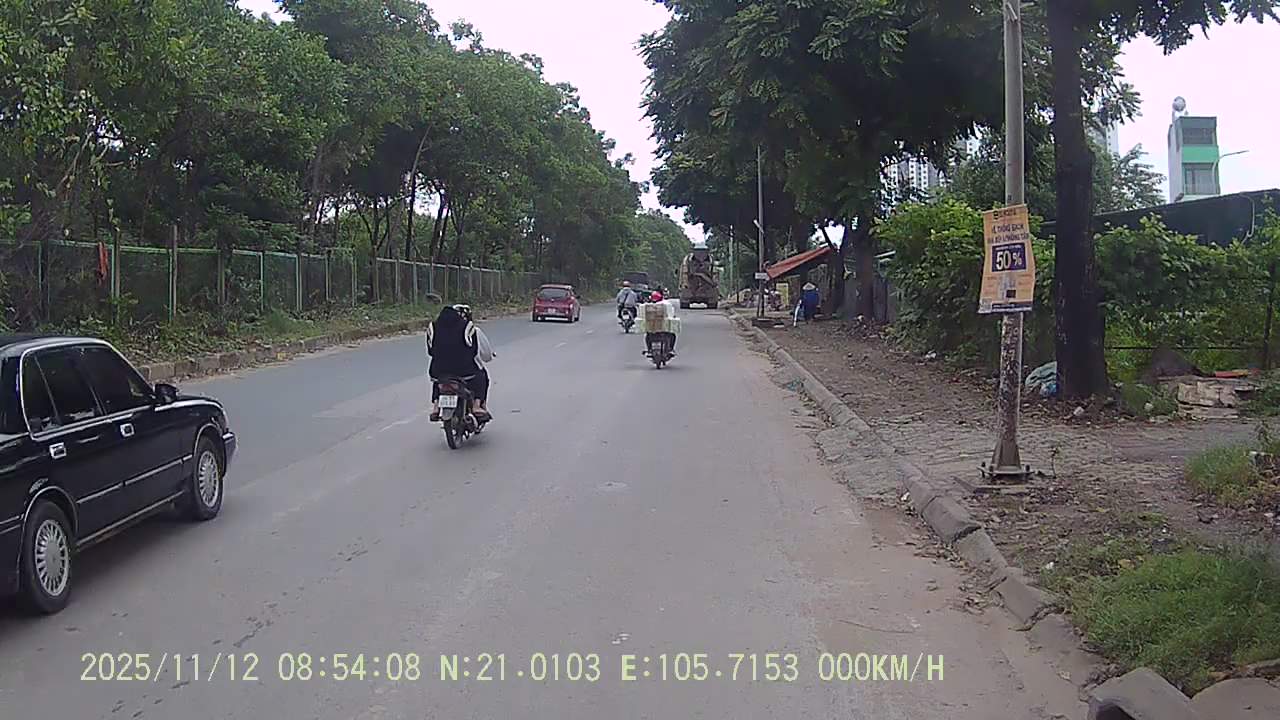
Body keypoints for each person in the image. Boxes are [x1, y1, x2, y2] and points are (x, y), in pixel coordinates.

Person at [426, 305, 494, 422]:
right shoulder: (469, 328)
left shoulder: (433, 327)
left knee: (439, 380)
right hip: (464, 370)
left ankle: (436, 406)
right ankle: (476, 405)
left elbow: (431, 351)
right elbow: (475, 351)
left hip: (438, 370)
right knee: (481, 376)